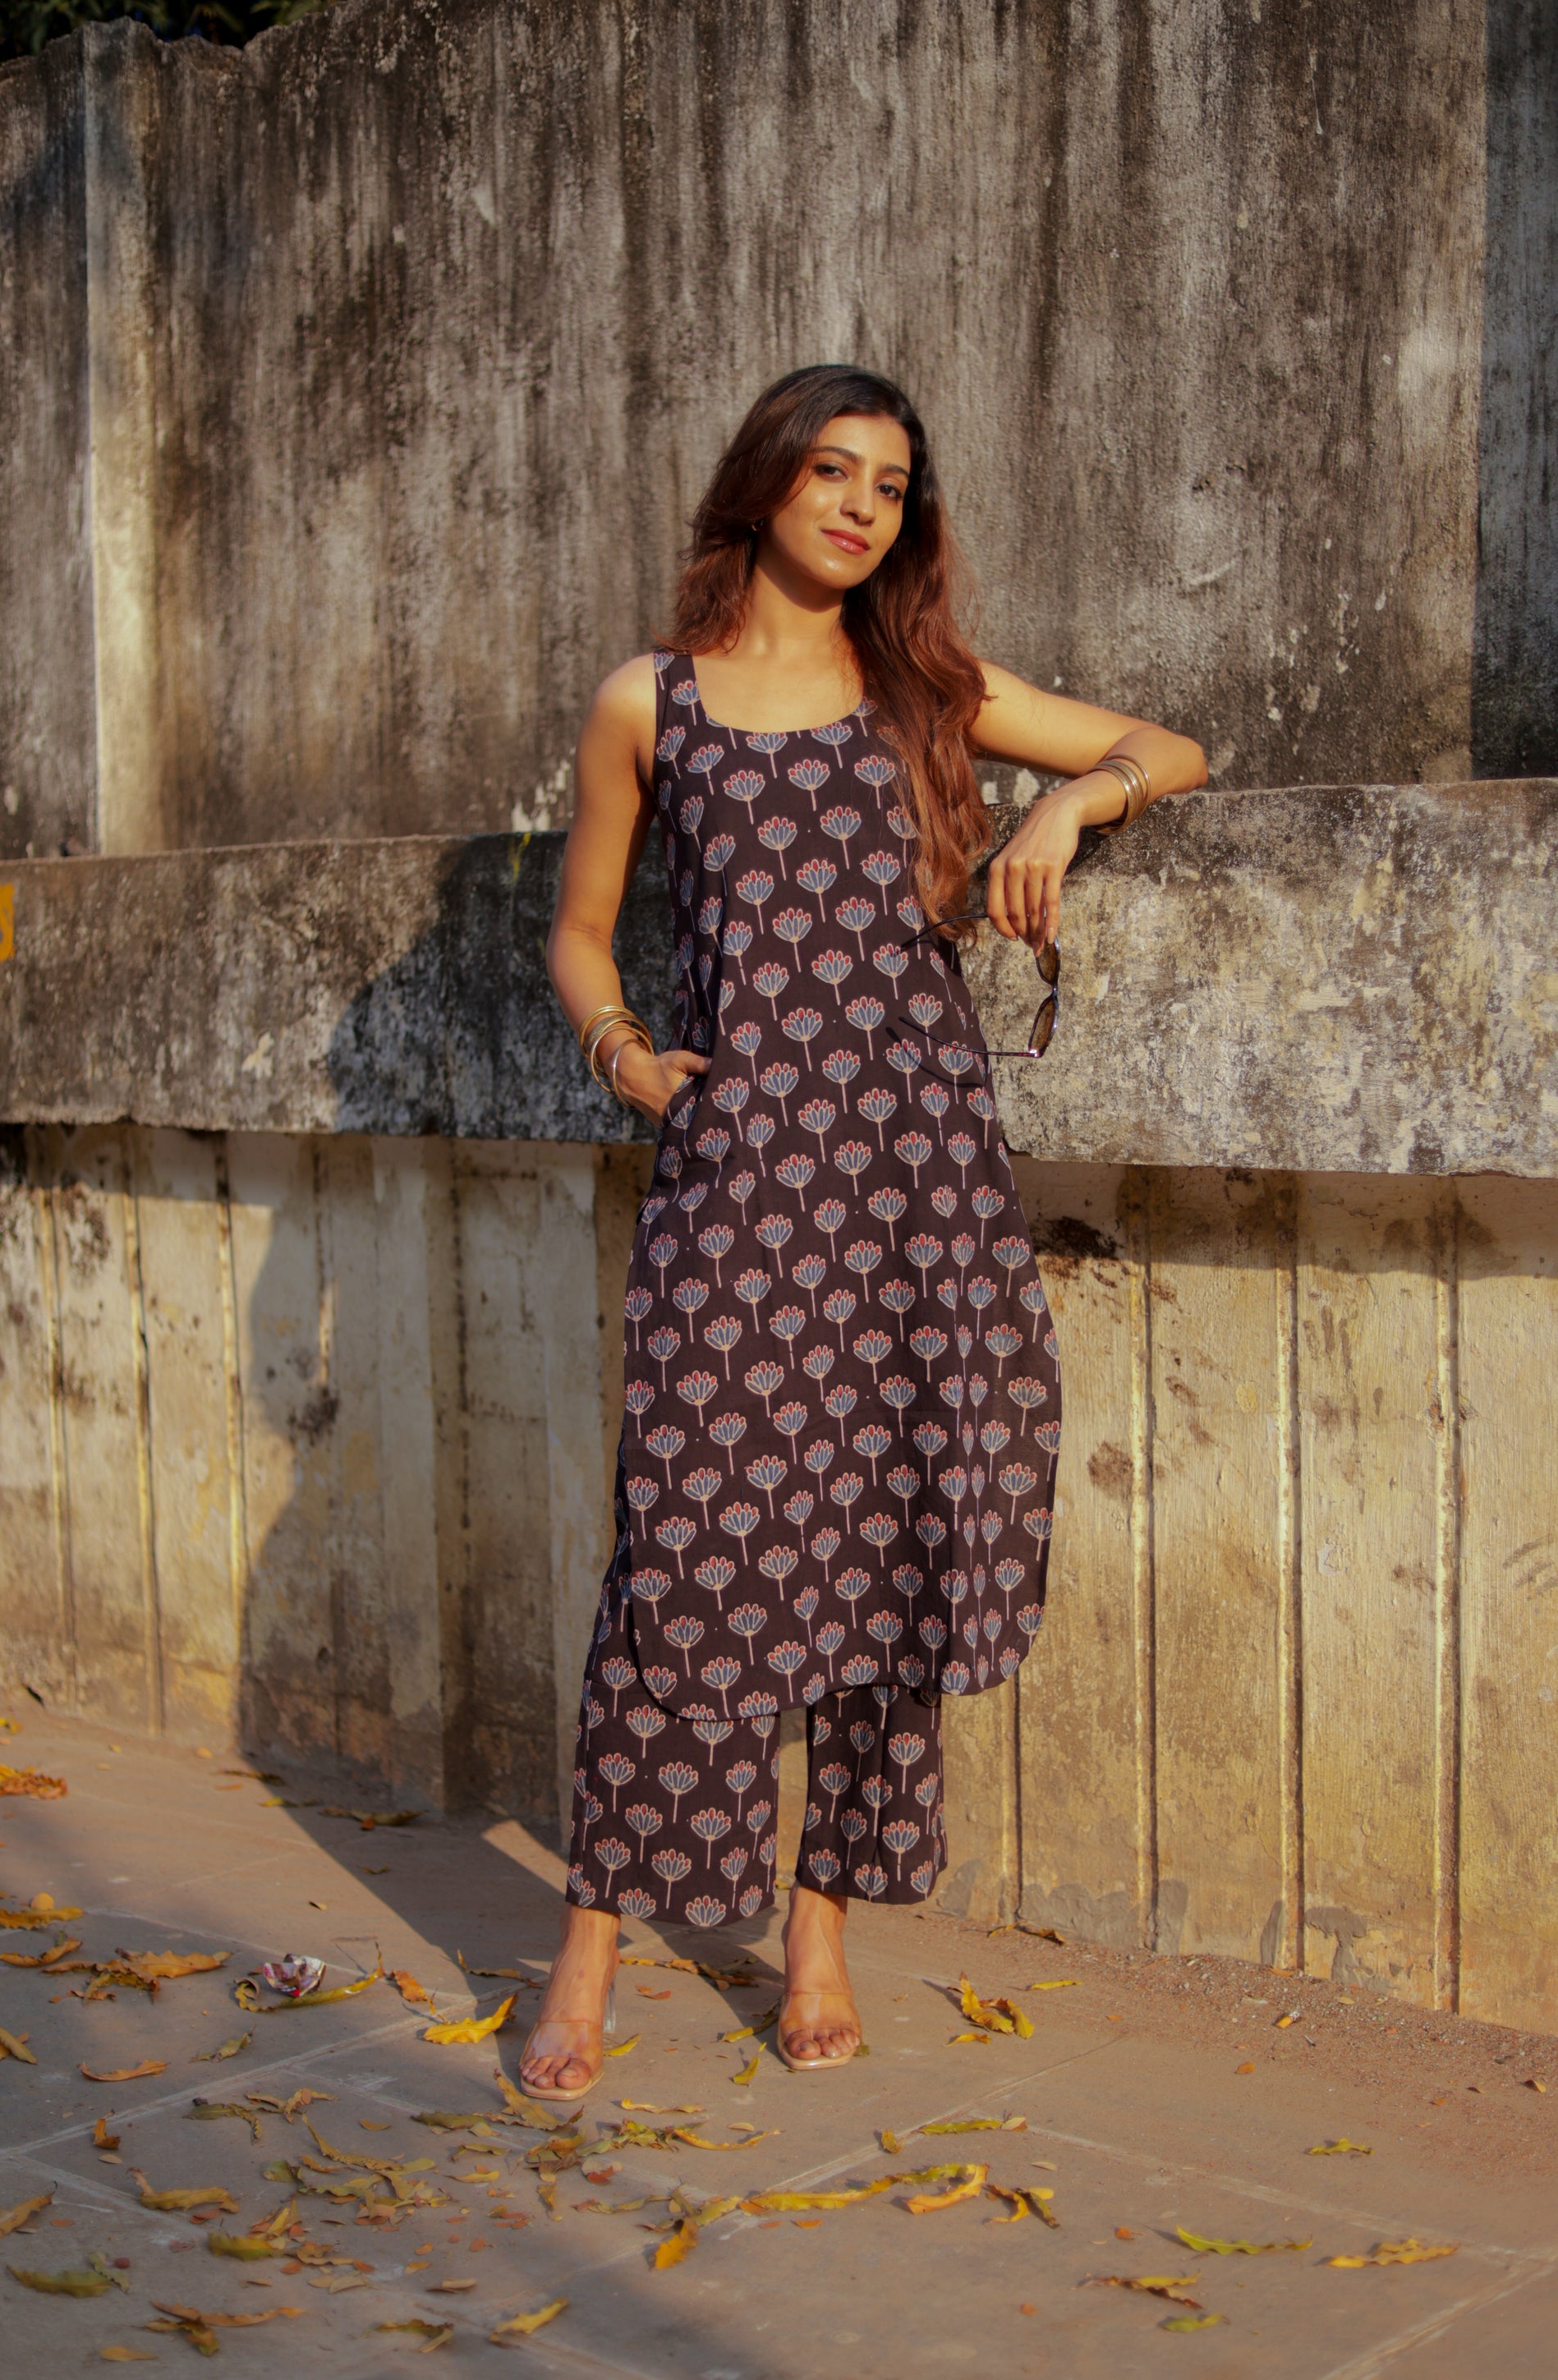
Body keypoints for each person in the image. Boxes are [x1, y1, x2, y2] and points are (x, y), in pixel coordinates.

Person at [524, 365, 1206, 2097]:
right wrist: (626, 1057)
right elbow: (581, 930)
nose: (856, 506)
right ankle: (592, 1936)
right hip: (740, 1180)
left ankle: (819, 1927)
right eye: (829, 470)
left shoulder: (926, 687)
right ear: (763, 482)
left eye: (888, 486)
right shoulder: (649, 701)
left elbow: (1167, 746)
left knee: (887, 1541)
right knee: (687, 1547)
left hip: (919, 1182)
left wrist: (1066, 804)